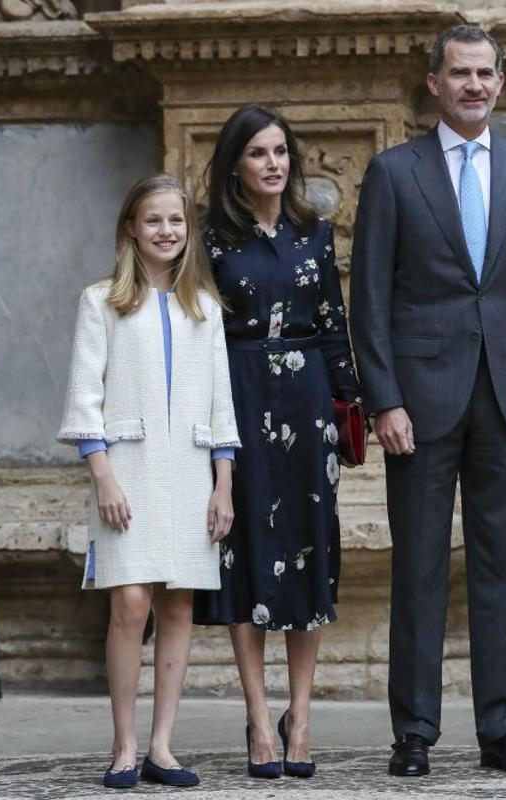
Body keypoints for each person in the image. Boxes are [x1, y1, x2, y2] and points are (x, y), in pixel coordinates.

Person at [350, 24, 506, 778]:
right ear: (433, 82)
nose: (473, 85)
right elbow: (369, 298)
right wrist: (384, 399)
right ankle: (413, 731)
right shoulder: (393, 172)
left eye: (485, 73)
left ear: (501, 83)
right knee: (418, 569)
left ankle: (502, 730)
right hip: (420, 400)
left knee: (502, 567)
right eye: (459, 73)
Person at [192, 104, 362, 781]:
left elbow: (331, 321)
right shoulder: (210, 239)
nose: (273, 163)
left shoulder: (314, 233)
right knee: (249, 553)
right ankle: (259, 716)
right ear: (235, 162)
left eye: (281, 151)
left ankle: (302, 715)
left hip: (308, 398)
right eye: (259, 152)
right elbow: (201, 333)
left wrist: (350, 407)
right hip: (239, 392)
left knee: (308, 550)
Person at [57, 172, 239, 788]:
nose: (167, 231)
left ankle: (162, 746)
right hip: (127, 471)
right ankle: (123, 743)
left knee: (178, 604)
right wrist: (102, 476)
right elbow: (85, 397)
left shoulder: (206, 309)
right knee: (130, 602)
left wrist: (224, 484)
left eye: (177, 221)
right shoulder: (102, 300)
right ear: (131, 227)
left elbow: (221, 406)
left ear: (190, 232)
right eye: (154, 220)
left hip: (191, 472)